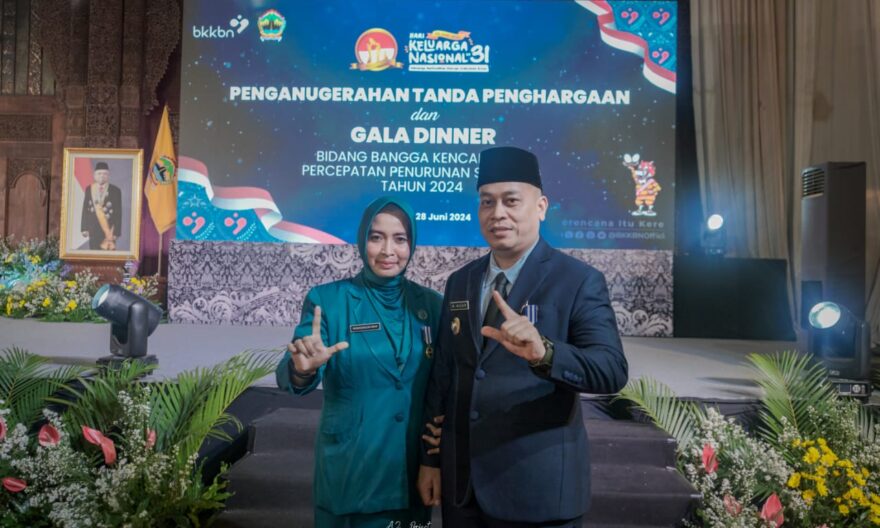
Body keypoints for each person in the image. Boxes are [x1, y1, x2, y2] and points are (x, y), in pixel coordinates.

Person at [417, 146, 628, 527]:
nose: (498, 213)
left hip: (537, 491)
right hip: (463, 490)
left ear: (541, 207)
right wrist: (430, 459)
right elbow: (445, 373)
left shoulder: (577, 280)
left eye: (511, 201)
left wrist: (544, 353)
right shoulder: (461, 281)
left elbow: (611, 370)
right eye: (487, 202)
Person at [276, 197, 442, 528]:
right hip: (351, 472)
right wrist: (302, 369)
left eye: (400, 239)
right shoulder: (328, 300)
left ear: (411, 244)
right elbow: (294, 367)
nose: (388, 250)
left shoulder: (432, 305)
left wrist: (433, 460)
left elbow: (441, 386)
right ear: (362, 239)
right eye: (376, 237)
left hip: (410, 472)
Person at [81, 161, 122, 250]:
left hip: (109, 231)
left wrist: (116, 233)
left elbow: (118, 213)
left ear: (108, 176)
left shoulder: (115, 191)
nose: (102, 176)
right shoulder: (89, 189)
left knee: (108, 256)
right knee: (93, 255)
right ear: (94, 175)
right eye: (99, 173)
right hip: (93, 229)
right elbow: (85, 209)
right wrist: (84, 228)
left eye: (104, 174)